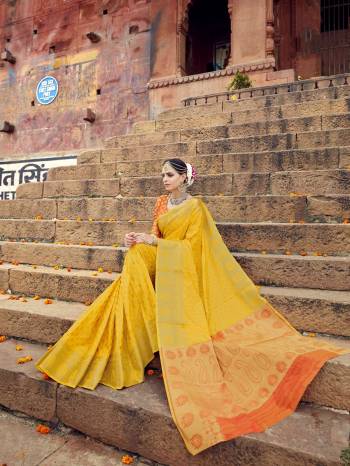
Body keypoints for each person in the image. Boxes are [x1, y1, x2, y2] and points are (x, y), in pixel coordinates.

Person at [36, 158, 348, 455]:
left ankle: (141, 321)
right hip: (163, 260)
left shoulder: (196, 207)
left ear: (184, 177)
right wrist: (140, 240)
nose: (164, 180)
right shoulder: (161, 203)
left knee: (138, 263)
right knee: (134, 257)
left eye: (169, 175)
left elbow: (195, 248)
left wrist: (154, 243)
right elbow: (156, 234)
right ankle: (140, 316)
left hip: (184, 267)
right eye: (162, 175)